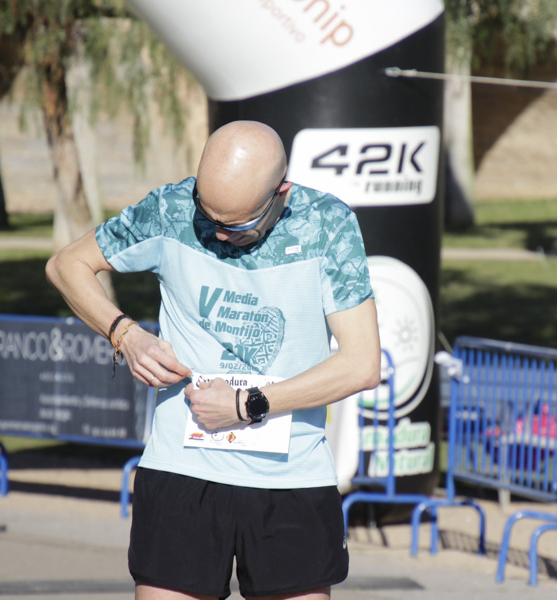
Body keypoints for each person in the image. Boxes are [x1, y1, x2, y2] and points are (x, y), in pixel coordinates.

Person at [46, 120, 381, 600]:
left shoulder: (327, 225)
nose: (219, 235)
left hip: (290, 479)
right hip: (183, 472)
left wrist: (249, 405)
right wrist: (127, 335)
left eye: (237, 224)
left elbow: (361, 363)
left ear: (280, 192)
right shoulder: (170, 210)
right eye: (210, 217)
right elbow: (66, 265)